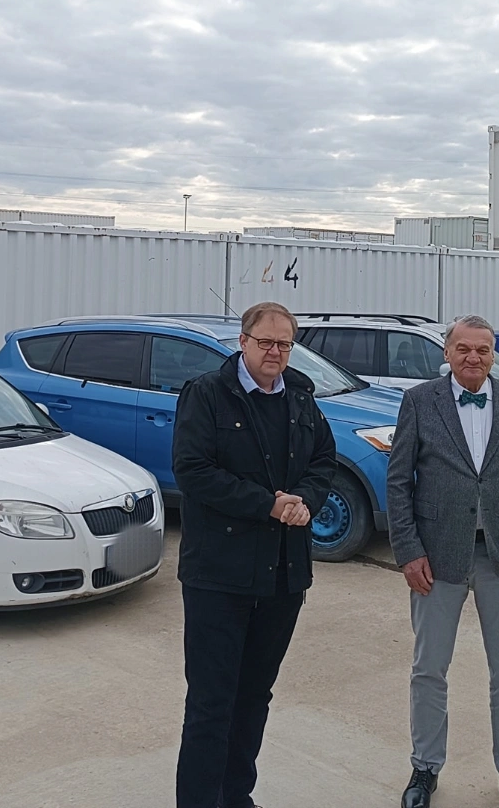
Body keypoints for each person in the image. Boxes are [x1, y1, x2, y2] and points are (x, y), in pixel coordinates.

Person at [171, 301, 337, 808]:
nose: (275, 352)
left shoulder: (301, 397)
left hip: (282, 577)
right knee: (211, 703)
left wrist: (305, 499)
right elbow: (192, 470)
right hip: (219, 577)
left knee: (254, 697)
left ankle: (236, 796)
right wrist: (267, 504)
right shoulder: (207, 394)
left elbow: (324, 459)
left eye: (284, 344)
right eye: (265, 342)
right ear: (242, 342)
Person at [386, 314, 499, 808]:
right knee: (429, 668)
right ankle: (424, 768)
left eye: (482, 349)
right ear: (447, 352)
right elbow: (398, 482)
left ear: (493, 354)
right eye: (463, 348)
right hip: (436, 558)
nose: (473, 357)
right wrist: (408, 551)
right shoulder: (420, 401)